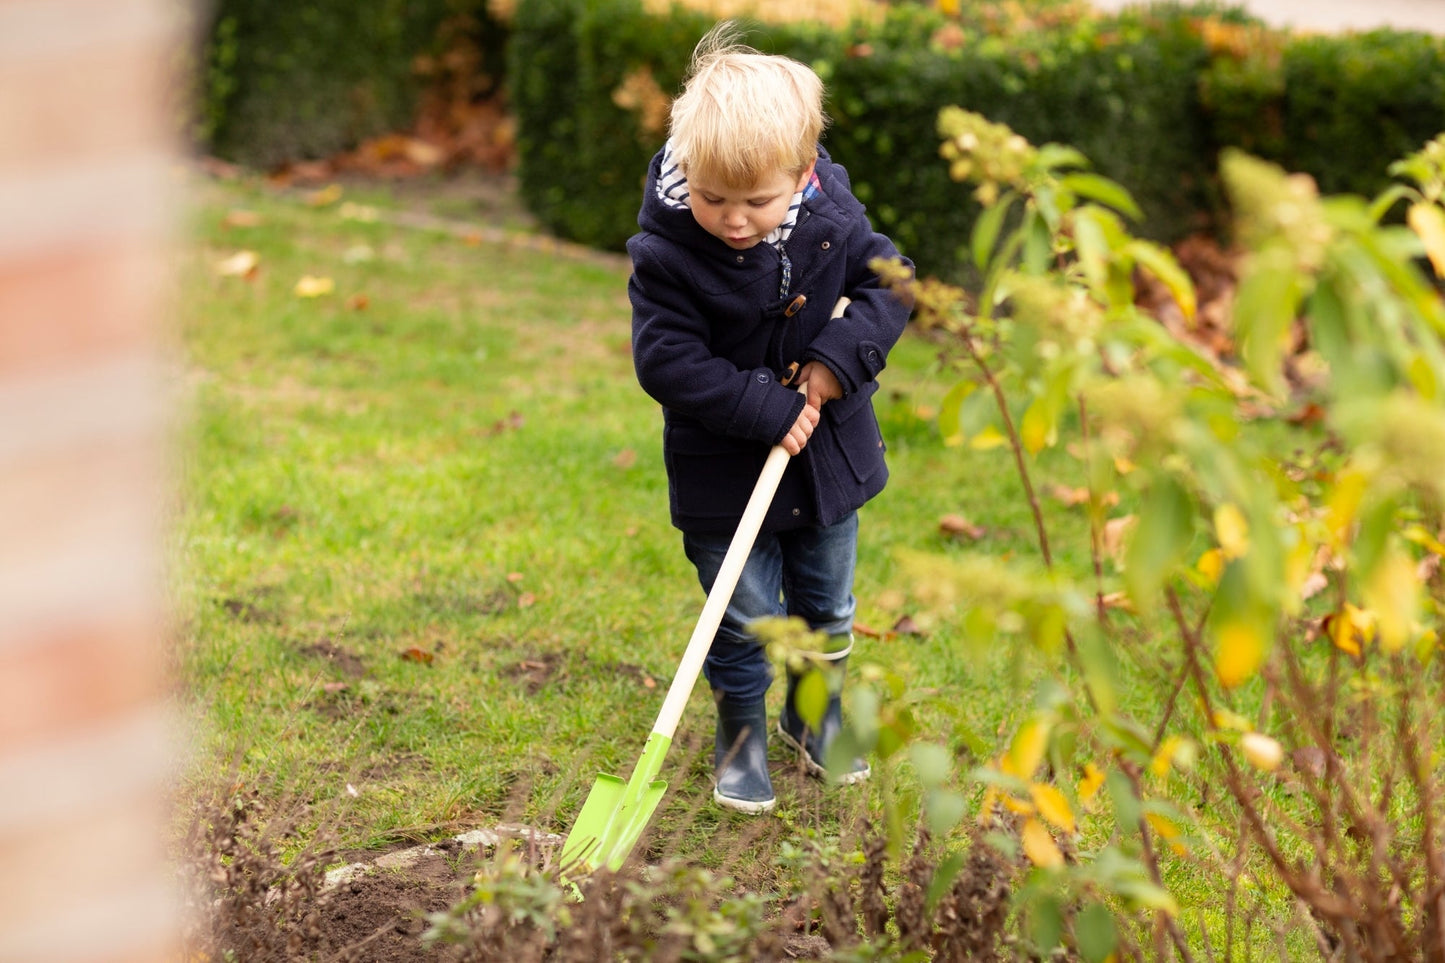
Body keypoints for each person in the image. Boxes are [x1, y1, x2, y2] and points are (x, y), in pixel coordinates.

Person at [628, 21, 914, 814]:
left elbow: (894, 285)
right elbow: (666, 361)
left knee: (826, 605)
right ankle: (741, 735)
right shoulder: (668, 253)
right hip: (724, 472)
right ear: (689, 168)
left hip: (825, 464)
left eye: (756, 200)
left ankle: (814, 718)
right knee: (743, 615)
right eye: (714, 196)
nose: (733, 218)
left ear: (802, 172)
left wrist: (835, 360)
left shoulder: (832, 217)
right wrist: (767, 405)